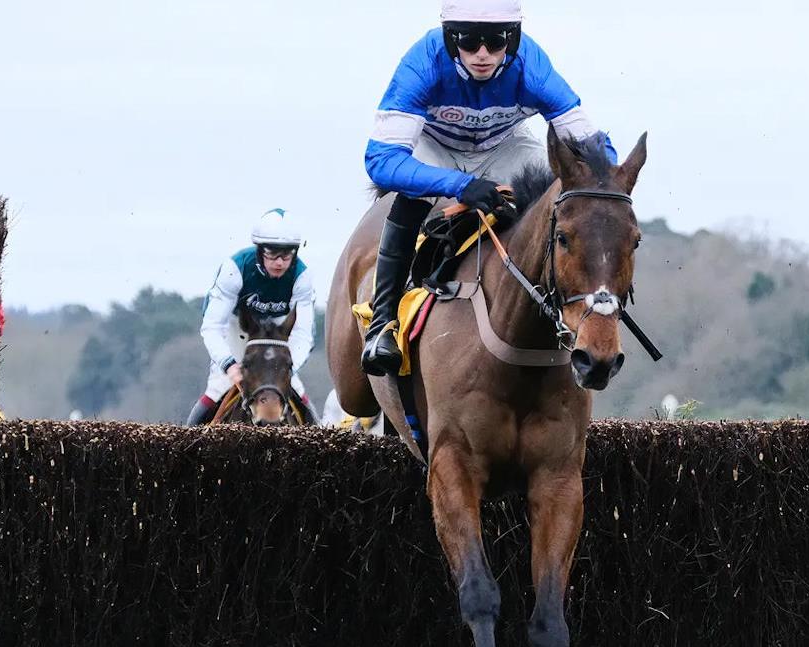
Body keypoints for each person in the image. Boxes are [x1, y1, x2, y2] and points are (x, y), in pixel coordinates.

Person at [360, 0, 616, 376]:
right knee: (412, 196)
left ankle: (572, 311)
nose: (482, 54)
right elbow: (381, 163)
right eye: (468, 41)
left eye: (496, 42)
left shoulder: (532, 66)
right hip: (435, 144)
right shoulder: (423, 62)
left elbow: (593, 147)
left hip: (503, 145)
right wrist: (461, 185)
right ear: (449, 39)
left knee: (567, 195)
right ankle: (383, 324)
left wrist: (608, 179)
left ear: (512, 40)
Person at [184, 209, 316, 425]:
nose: (280, 263)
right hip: (238, 329)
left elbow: (303, 333)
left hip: (278, 332)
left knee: (299, 393)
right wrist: (230, 366)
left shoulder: (302, 276)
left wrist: (289, 367)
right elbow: (212, 327)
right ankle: (184, 450)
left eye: (287, 254)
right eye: (272, 254)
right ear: (259, 250)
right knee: (217, 387)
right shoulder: (235, 269)